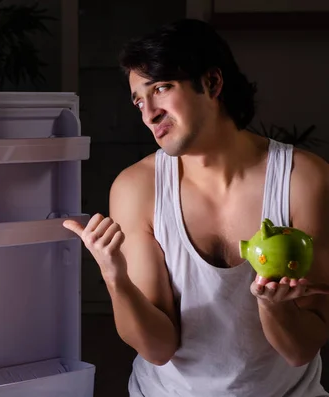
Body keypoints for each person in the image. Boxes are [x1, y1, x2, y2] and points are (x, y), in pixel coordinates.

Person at [63, 18, 329, 396]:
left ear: (212, 83)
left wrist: (274, 307)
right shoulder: (137, 188)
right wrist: (115, 277)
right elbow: (157, 349)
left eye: (162, 88)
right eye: (140, 99)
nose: (148, 113)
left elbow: (301, 349)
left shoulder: (303, 180)